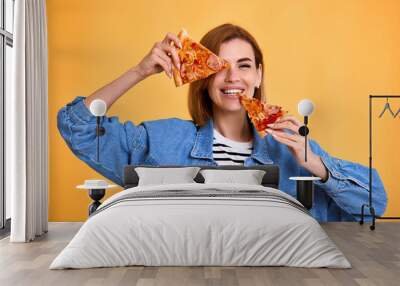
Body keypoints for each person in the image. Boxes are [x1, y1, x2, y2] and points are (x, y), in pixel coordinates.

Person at [58, 23, 387, 222]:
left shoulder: (290, 148)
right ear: (202, 74)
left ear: (258, 76)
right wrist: (140, 71)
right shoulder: (162, 140)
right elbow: (78, 126)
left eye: (244, 66)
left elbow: (375, 203)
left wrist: (317, 164)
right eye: (220, 65)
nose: (233, 77)